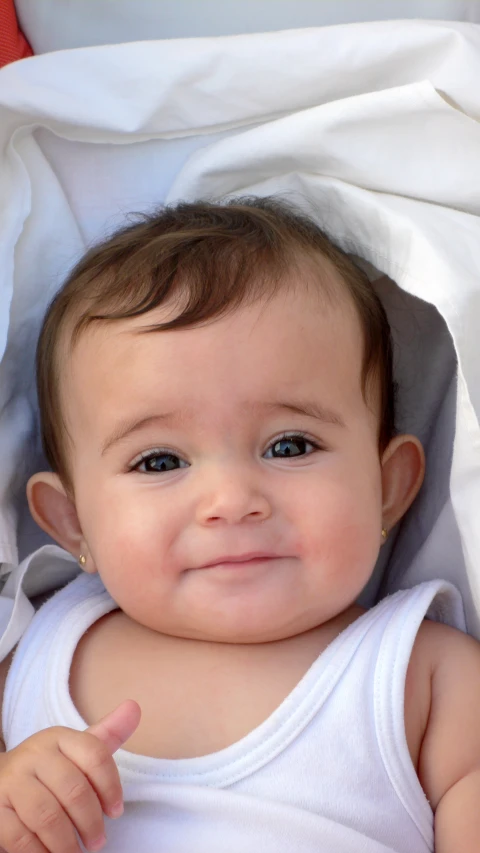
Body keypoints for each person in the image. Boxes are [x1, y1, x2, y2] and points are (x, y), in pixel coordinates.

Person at [0, 196, 478, 853]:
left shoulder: (425, 682)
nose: (231, 499)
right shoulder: (29, 660)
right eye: (160, 459)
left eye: (290, 445)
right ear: (72, 521)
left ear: (389, 487)